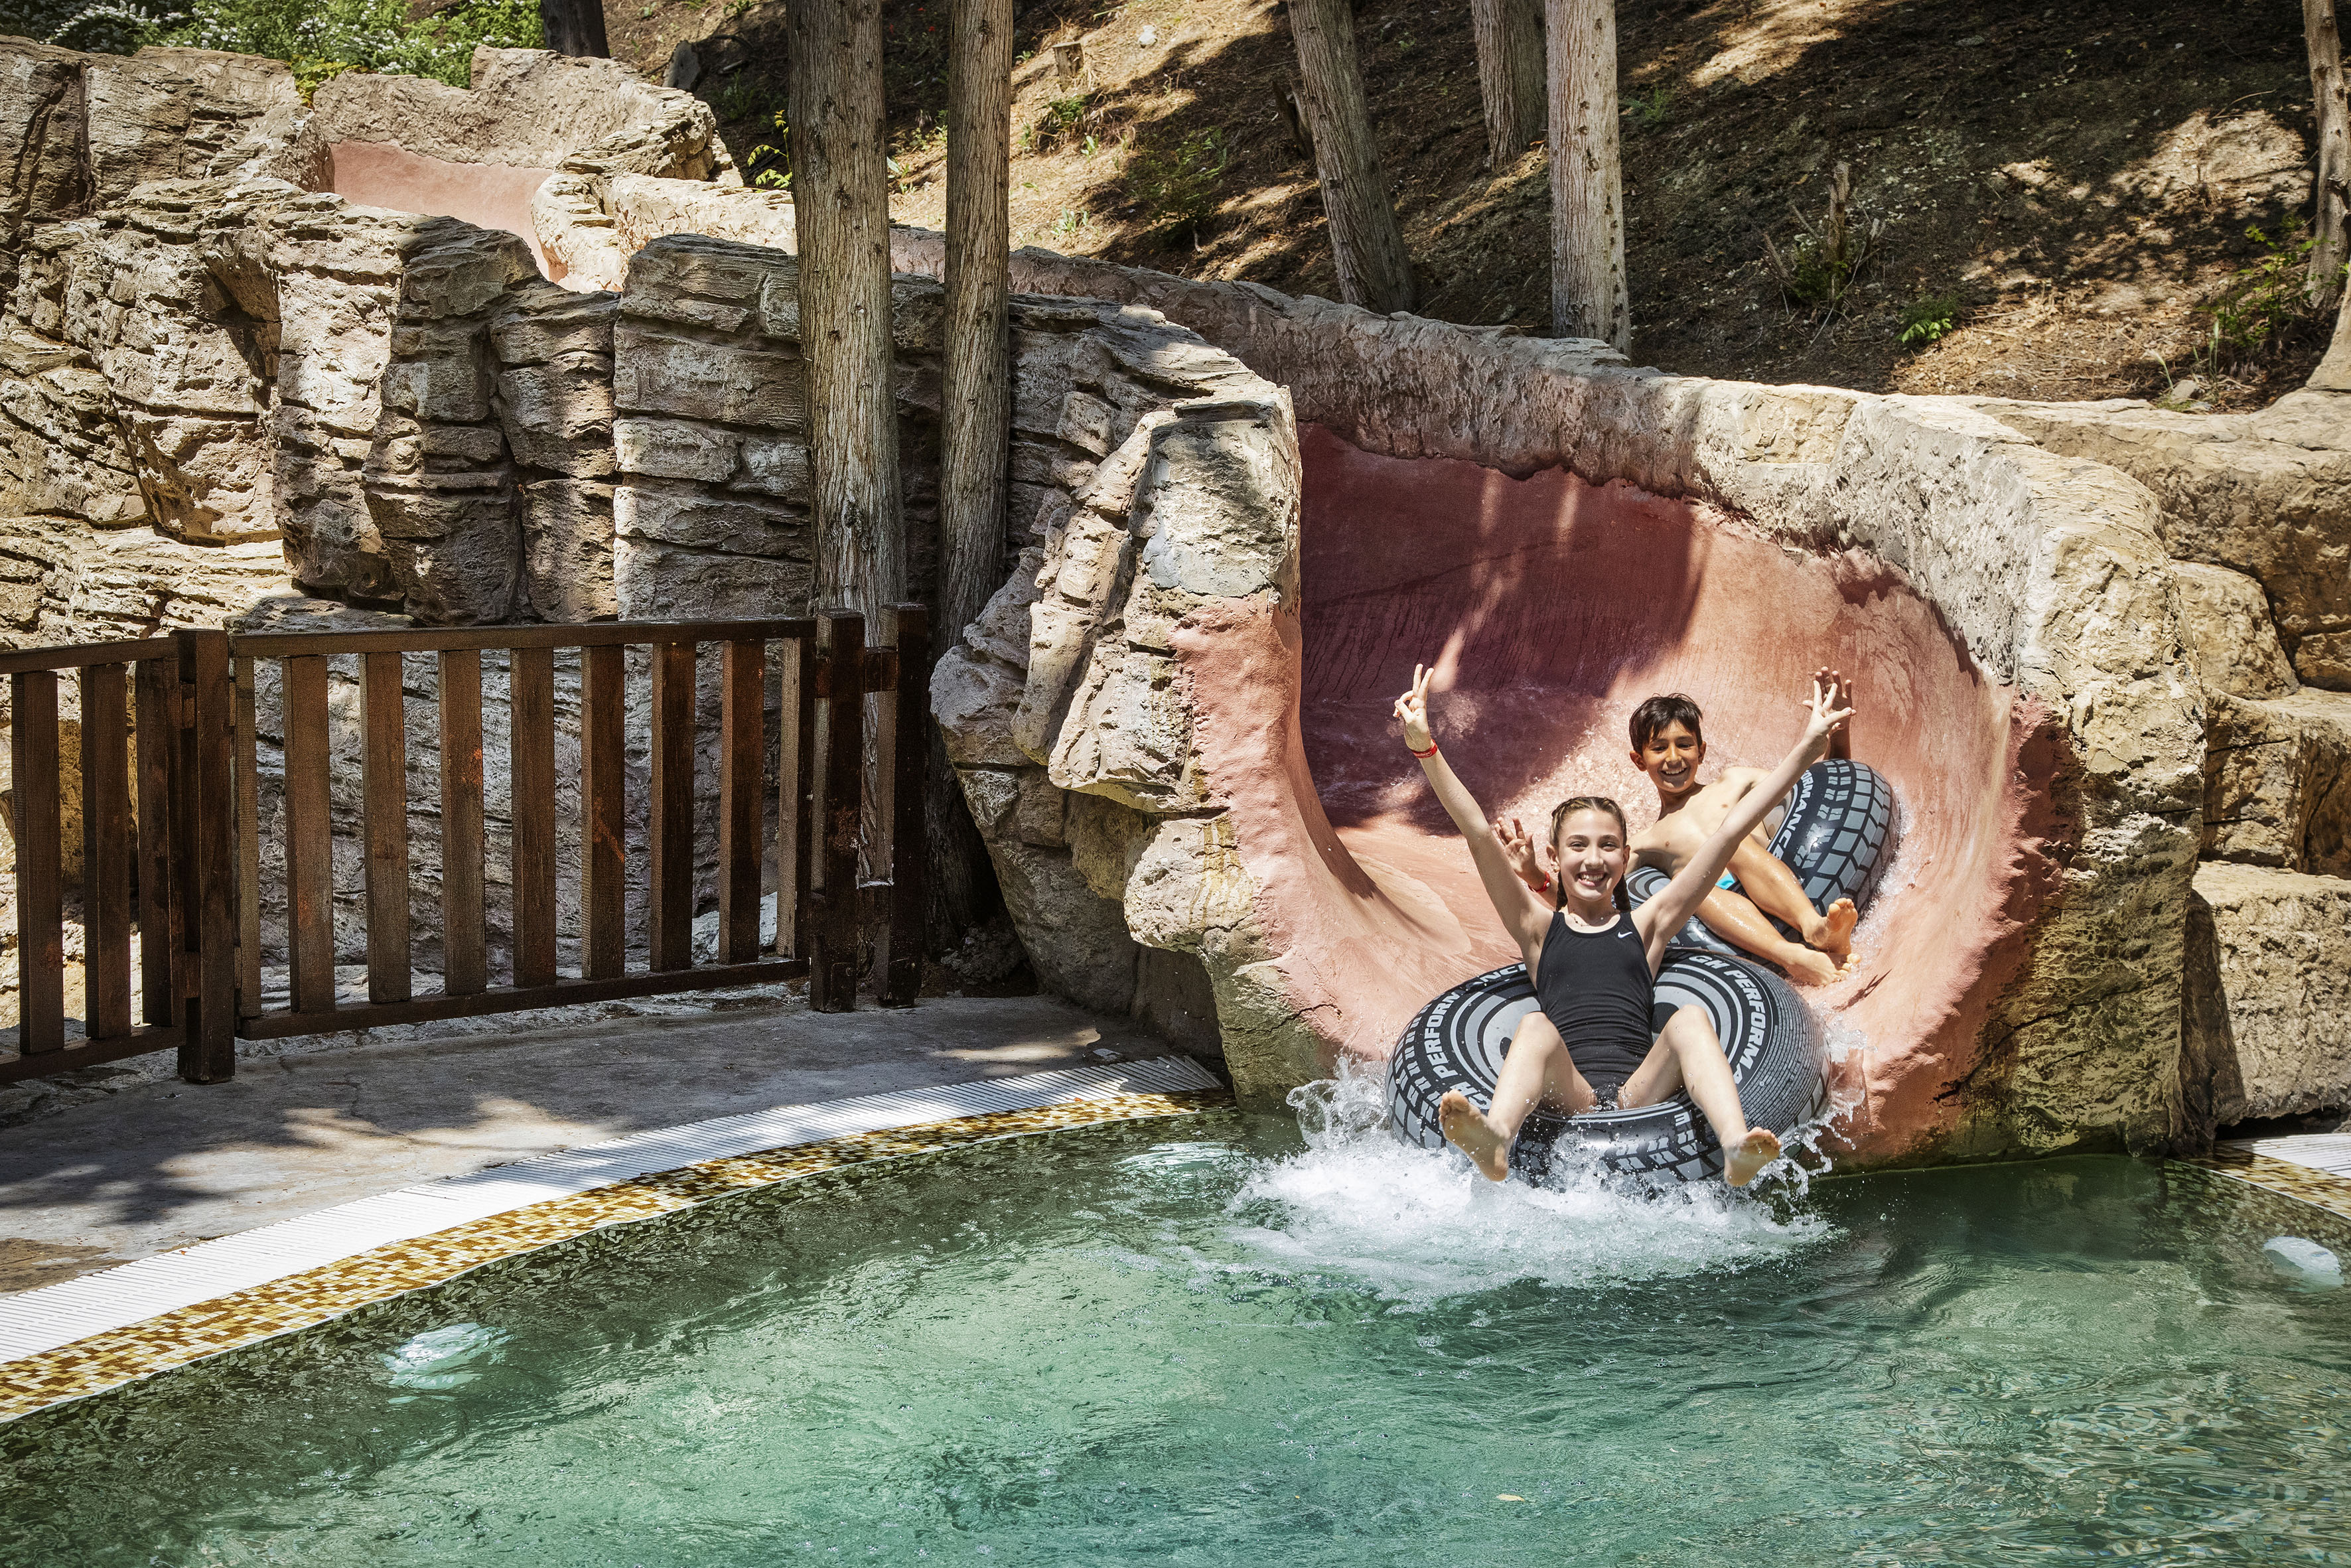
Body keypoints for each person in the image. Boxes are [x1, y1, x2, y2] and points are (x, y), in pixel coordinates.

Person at [1391, 664, 1854, 1187]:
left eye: (1608, 845)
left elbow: (1729, 832)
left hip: (1638, 1088)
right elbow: (1476, 831)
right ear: (1555, 857)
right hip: (1570, 1089)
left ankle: (1734, 1148)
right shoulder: (1537, 928)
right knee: (1535, 1026)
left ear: (1626, 855)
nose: (1594, 859)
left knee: (1689, 1020)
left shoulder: (1649, 924)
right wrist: (1425, 748)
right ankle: (1495, 1139)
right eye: (1579, 846)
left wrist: (1809, 742)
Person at [1498, 677, 1861, 985]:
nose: (1674, 758)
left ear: (1701, 751)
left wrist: (1838, 731)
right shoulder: (1646, 843)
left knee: (1732, 843)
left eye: (1684, 744)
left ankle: (1815, 927)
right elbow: (1587, 893)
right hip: (1719, 906)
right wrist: (1534, 874)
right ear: (1639, 760)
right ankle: (1790, 956)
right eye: (1659, 748)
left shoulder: (1736, 781)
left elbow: (1829, 798)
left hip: (1773, 875)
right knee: (1692, 879)